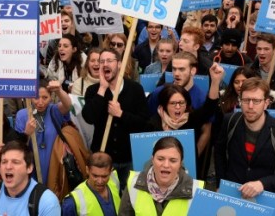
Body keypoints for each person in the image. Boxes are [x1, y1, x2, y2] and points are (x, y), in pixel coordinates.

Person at [215, 77, 275, 196]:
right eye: (246, 100)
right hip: (232, 191)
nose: (250, 106)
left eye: (256, 101)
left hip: (263, 196)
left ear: (266, 103)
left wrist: (262, 184)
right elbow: (219, 153)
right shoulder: (230, 121)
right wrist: (220, 184)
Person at [82, 48, 149, 189]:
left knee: (128, 196)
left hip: (129, 157)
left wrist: (121, 114)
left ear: (119, 64)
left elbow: (144, 124)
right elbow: (89, 117)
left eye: (109, 61)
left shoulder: (135, 89)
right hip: (103, 157)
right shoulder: (93, 91)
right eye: (102, 61)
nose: (105, 64)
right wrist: (102, 89)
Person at [119, 137, 204, 215]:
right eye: (160, 159)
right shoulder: (133, 183)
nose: (166, 165)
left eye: (173, 160)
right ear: (152, 160)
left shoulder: (197, 191)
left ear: (180, 164)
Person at [0, 141, 61, 215]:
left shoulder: (47, 202)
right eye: (4, 162)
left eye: (15, 162)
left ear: (29, 168)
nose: (8, 166)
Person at [14, 79, 72, 184]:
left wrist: (59, 90)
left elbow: (68, 105)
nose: (40, 102)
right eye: (36, 97)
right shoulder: (22, 115)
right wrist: (26, 133)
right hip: (31, 166)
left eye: (45, 98)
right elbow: (18, 146)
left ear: (51, 98)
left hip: (53, 163)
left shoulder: (54, 110)